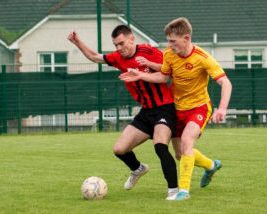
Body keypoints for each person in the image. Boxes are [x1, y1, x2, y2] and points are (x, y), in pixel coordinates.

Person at [119, 17, 232, 200]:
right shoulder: (169, 54)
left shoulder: (203, 58)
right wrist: (140, 74)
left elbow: (225, 82)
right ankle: (211, 166)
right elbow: (163, 76)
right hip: (177, 109)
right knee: (181, 154)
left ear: (186, 38)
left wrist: (222, 108)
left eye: (173, 41)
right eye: (168, 41)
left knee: (187, 141)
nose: (169, 45)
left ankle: (183, 192)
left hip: (199, 108)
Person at [67, 25, 179, 200]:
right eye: (115, 45)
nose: (119, 48)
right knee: (119, 149)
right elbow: (95, 57)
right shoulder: (119, 58)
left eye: (121, 43)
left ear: (131, 38)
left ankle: (174, 190)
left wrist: (141, 75)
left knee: (160, 145)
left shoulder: (150, 52)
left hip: (165, 108)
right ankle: (138, 169)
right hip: (146, 112)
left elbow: (167, 75)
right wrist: (78, 42)